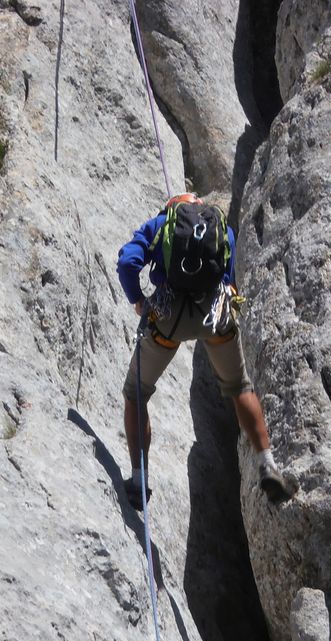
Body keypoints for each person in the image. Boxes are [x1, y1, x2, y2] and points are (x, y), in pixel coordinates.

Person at [117, 192, 293, 508]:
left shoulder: (160, 223)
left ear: (172, 208)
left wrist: (138, 300)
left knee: (136, 392)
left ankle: (138, 480)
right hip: (215, 315)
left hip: (168, 318)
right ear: (198, 204)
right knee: (240, 386)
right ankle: (267, 463)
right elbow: (228, 279)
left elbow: (128, 261)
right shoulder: (221, 228)